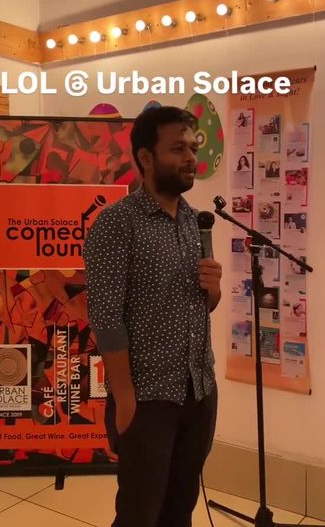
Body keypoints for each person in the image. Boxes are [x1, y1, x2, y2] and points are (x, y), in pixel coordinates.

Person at [83, 106, 222, 527]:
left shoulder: (193, 221)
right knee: (139, 513)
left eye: (192, 147)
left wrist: (214, 290)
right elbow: (105, 316)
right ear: (146, 157)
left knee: (180, 508)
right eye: (178, 148)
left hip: (199, 389)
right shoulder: (116, 224)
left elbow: (199, 305)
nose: (190, 157)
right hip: (146, 398)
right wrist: (125, 397)